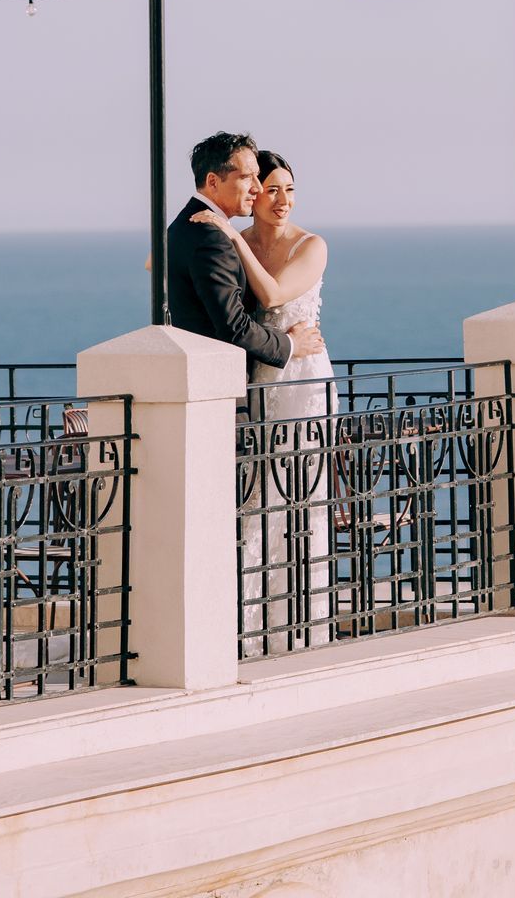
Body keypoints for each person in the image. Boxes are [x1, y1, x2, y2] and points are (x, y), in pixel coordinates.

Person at [193, 150, 334, 653]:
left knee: (297, 491)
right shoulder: (239, 238)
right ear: (253, 195)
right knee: (255, 495)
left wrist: (231, 236)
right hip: (257, 374)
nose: (282, 200)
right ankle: (249, 623)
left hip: (299, 376)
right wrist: (224, 235)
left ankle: (301, 619)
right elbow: (159, 262)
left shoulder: (311, 246)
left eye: (290, 190)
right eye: (271, 189)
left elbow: (272, 297)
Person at [166, 132, 324, 370]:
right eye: (247, 178)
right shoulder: (211, 238)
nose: (256, 187)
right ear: (212, 181)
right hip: (219, 377)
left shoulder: (186, 226)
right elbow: (234, 326)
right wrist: (291, 344)